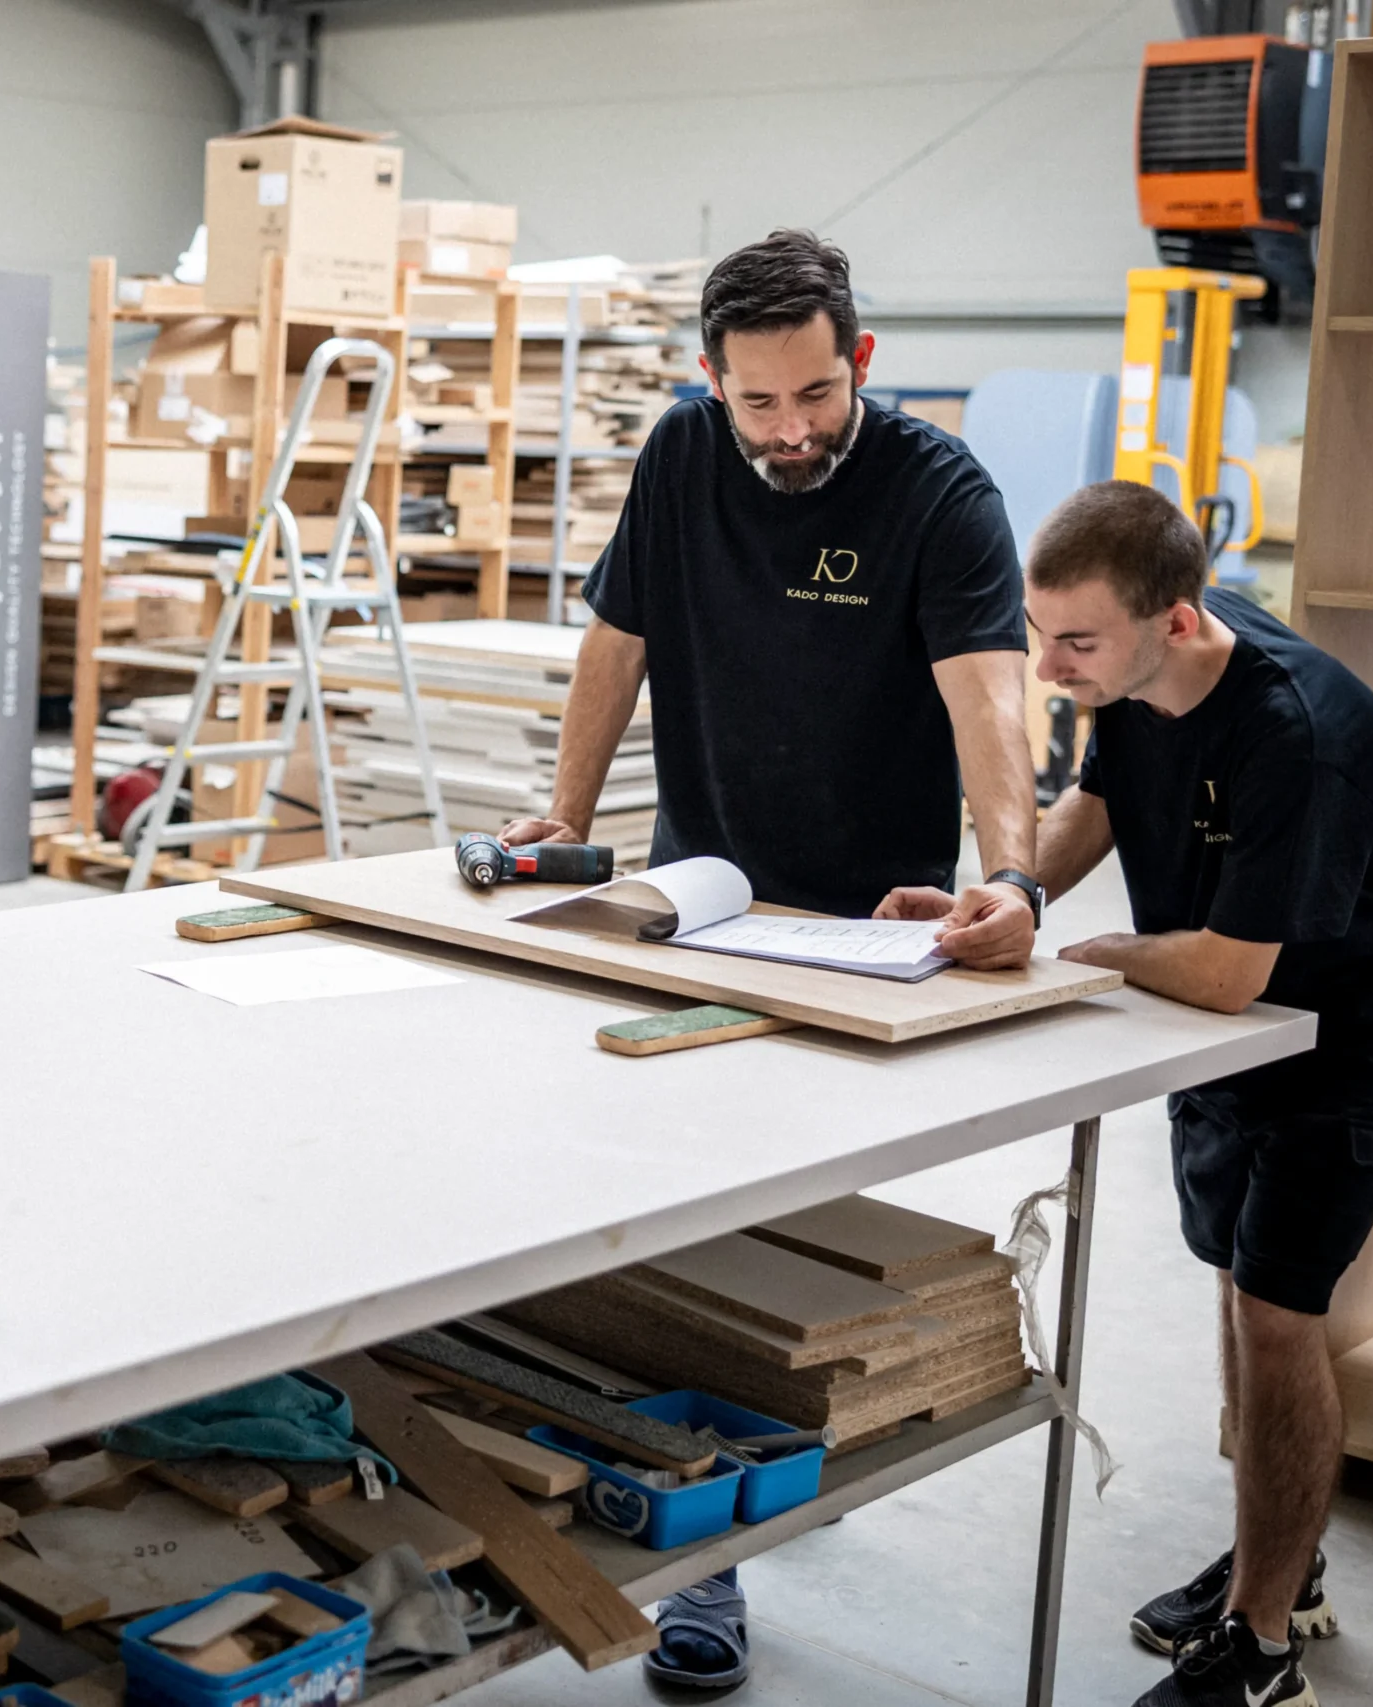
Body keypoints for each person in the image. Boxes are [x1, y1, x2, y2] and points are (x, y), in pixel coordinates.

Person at [500, 229, 1042, 1688]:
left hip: (869, 929)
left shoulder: (939, 492)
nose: (791, 429)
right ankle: (706, 1558)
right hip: (706, 893)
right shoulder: (683, 457)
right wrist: (567, 812)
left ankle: (775, 1443)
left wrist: (1012, 876)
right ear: (709, 380)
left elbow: (990, 697)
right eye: (759, 402)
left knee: (800, 1231)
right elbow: (618, 637)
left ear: (860, 358)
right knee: (686, 1221)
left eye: (816, 393)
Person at [913, 479, 1373, 1707]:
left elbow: (1222, 971)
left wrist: (1079, 951)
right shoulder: (1138, 677)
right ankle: (1282, 1564)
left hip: (1345, 1034)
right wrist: (1017, 893)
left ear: (1176, 619)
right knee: (1233, 1280)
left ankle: (1260, 1648)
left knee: (1276, 1309)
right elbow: (1099, 800)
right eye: (1041, 634)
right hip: (1229, 1029)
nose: (1049, 668)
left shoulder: (1294, 732)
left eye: (1076, 643)